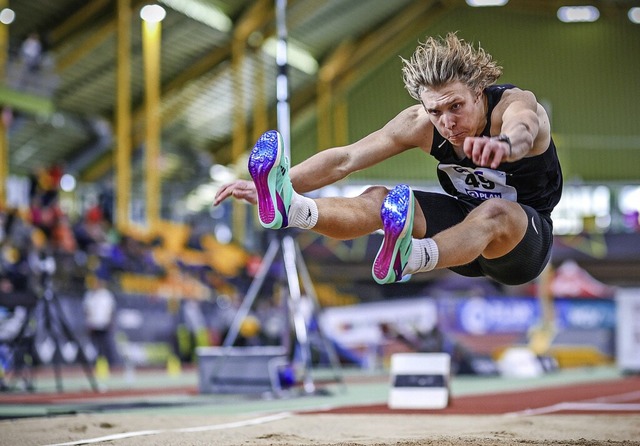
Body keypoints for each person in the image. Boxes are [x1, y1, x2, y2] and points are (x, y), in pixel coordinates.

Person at [214, 33, 563, 287]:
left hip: (522, 247)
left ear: (477, 91)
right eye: (436, 111)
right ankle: (293, 209)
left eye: (456, 106)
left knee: (494, 212)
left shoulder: (512, 106)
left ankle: (411, 257)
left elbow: (526, 127)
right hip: (458, 237)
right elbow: (345, 160)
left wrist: (504, 145)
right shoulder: (421, 124)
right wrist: (276, 187)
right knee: (381, 199)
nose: (447, 122)